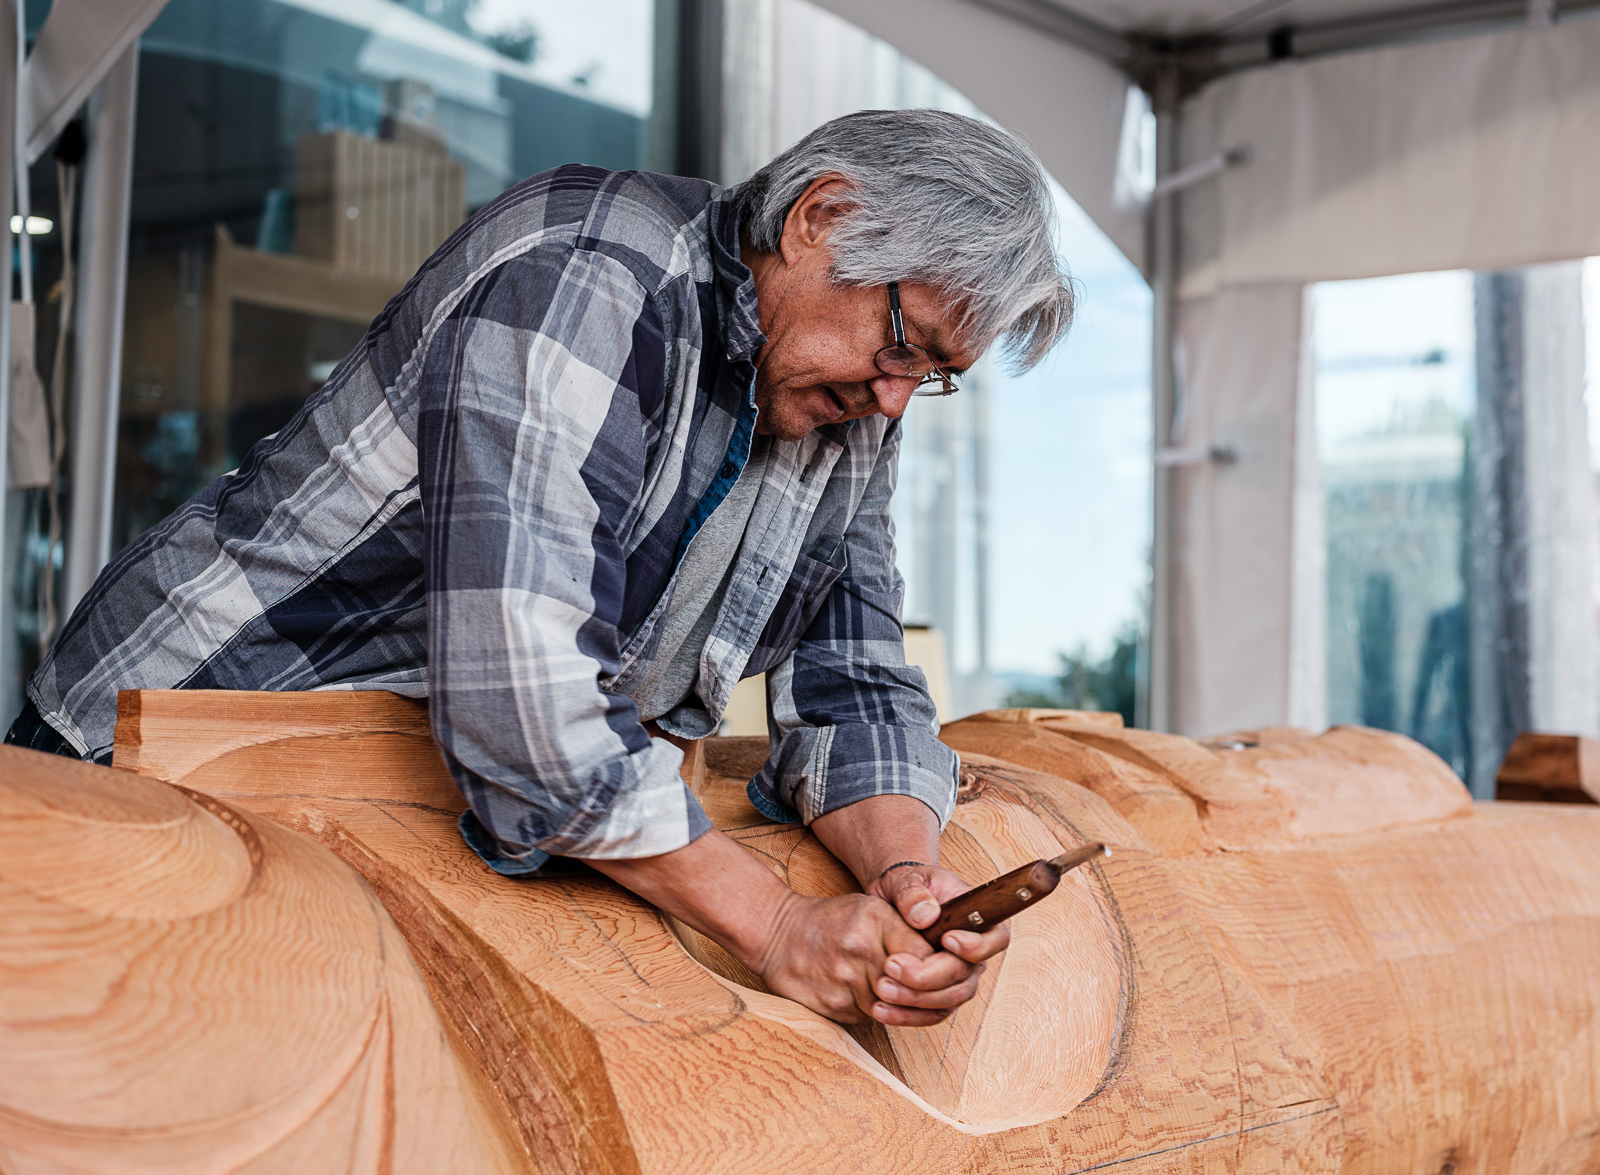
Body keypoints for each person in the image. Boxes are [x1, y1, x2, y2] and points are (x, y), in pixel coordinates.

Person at [10, 109, 1073, 1028]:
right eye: (905, 343)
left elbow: (861, 685)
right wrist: (779, 925)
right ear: (821, 219)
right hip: (158, 753)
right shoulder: (590, 273)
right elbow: (525, 702)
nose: (895, 400)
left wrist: (904, 885)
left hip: (385, 800)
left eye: (932, 377)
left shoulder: (843, 405)